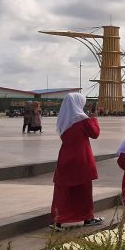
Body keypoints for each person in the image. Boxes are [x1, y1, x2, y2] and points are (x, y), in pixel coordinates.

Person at [51, 93, 101, 230]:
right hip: (81, 158)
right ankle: (87, 218)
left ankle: (58, 220)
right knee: (83, 189)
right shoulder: (82, 119)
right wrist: (94, 118)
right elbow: (95, 134)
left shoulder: (63, 120)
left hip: (65, 157)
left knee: (63, 189)